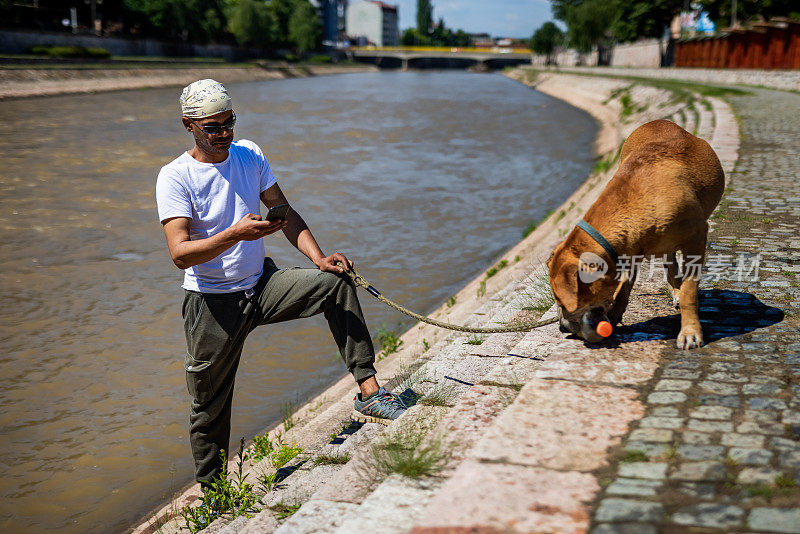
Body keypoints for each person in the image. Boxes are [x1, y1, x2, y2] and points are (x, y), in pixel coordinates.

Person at [155, 79, 406, 489]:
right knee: (209, 405)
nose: (223, 134)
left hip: (262, 284)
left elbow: (284, 213)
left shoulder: (249, 154)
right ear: (189, 125)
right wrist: (234, 234)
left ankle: (369, 390)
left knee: (335, 283)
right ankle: (214, 494)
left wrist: (319, 258)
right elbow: (180, 253)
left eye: (228, 123)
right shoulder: (175, 177)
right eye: (212, 127)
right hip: (211, 303)